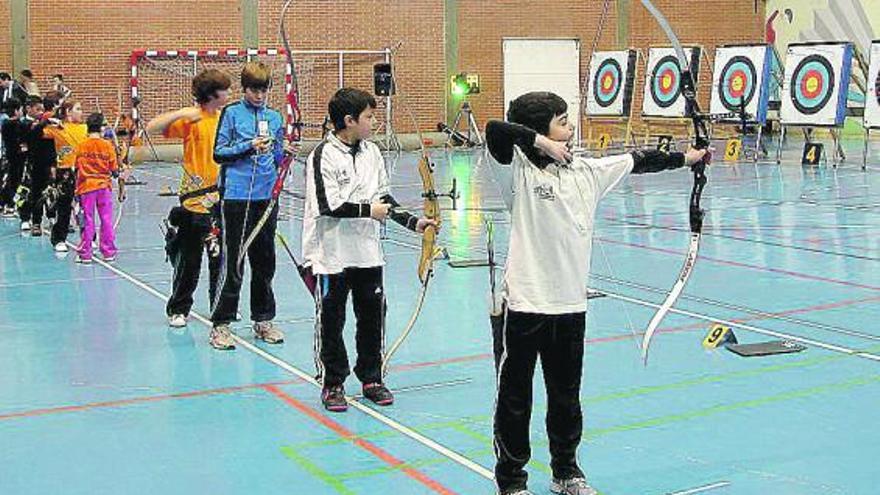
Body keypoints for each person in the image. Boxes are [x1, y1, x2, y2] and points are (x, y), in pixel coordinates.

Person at [485, 91, 709, 495]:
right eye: (563, 122)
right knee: (516, 399)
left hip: (571, 306)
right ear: (541, 131)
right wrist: (541, 144)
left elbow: (638, 161)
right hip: (523, 304)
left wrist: (688, 158)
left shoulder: (585, 172)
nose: (571, 130)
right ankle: (512, 480)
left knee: (566, 398)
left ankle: (566, 472)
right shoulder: (515, 172)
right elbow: (496, 131)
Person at [302, 88, 437, 412]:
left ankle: (371, 378)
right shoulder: (322, 155)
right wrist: (368, 211)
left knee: (372, 317)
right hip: (330, 255)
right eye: (369, 117)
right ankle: (333, 382)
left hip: (367, 253)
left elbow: (383, 199)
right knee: (331, 320)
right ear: (349, 121)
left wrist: (413, 222)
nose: (374, 122)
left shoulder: (372, 153)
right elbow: (327, 205)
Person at [209, 61, 291, 350]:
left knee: (265, 260)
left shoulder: (275, 117)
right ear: (244, 89)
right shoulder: (231, 114)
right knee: (233, 260)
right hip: (236, 196)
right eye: (254, 90)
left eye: (263, 91)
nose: (259, 96)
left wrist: (286, 152)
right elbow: (219, 153)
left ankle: (263, 319)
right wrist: (248, 146)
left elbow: (279, 158)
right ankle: (221, 324)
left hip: (266, 198)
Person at [146, 68, 231, 328]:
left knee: (220, 259)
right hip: (194, 202)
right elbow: (151, 127)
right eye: (225, 89)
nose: (229, 93)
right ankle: (179, 308)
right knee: (190, 260)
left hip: (221, 201)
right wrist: (183, 112)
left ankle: (221, 307)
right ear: (212, 94)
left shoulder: (226, 119)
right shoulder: (192, 120)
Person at [72, 112, 122, 264]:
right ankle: (108, 252)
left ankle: (85, 253)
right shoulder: (107, 146)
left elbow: (76, 167)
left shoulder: (81, 145)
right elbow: (114, 170)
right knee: (106, 219)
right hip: (104, 187)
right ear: (101, 128)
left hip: (86, 187)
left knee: (88, 219)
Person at [43, 99, 88, 251]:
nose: (81, 112)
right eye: (78, 109)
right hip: (65, 171)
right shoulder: (57, 128)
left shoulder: (84, 128)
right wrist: (49, 119)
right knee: (64, 206)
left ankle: (88, 237)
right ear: (68, 112)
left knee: (84, 206)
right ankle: (59, 239)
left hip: (83, 170)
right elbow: (38, 132)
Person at [0, 98, 24, 217]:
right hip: (16, 156)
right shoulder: (15, 124)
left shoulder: (5, 124)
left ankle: (6, 203)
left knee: (11, 179)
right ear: (16, 111)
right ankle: (9, 204)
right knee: (14, 180)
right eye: (20, 109)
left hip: (10, 155)